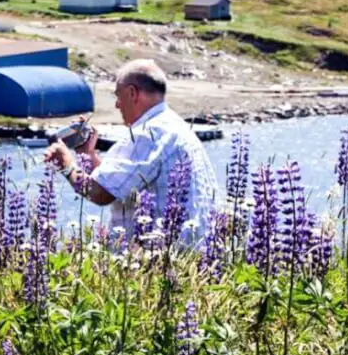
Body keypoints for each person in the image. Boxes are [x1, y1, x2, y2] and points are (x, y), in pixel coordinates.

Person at [44, 59, 218, 242]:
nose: (117, 105)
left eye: (118, 96)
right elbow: (121, 181)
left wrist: (66, 165)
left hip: (161, 257)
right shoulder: (172, 125)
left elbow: (100, 193)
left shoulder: (148, 133)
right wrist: (88, 155)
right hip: (193, 252)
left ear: (133, 93)